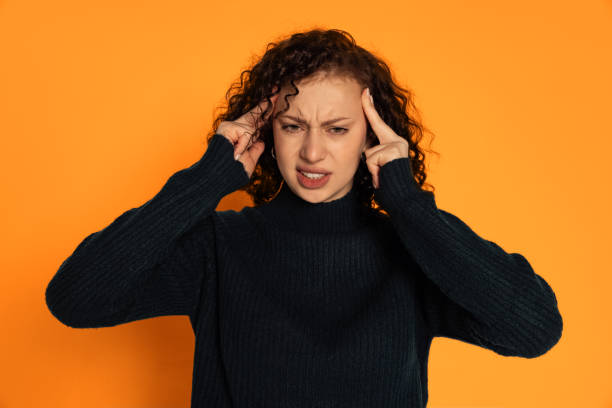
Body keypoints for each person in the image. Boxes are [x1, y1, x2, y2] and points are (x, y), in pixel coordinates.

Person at [45, 28, 563, 407]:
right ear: (268, 132)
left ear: (372, 137)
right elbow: (74, 298)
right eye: (293, 126)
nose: (312, 152)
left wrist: (408, 206)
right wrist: (204, 180)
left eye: (337, 129)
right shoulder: (219, 247)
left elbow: (534, 329)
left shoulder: (412, 252)